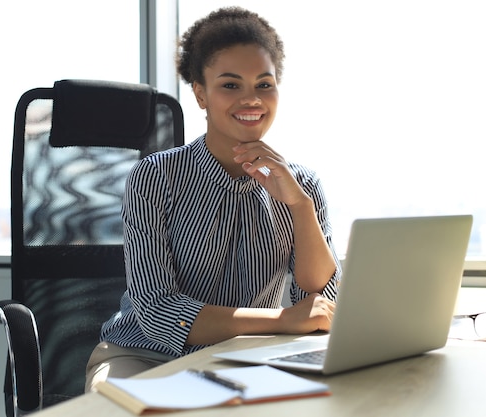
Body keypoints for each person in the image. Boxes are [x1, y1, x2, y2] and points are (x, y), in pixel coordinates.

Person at [85, 6, 341, 392]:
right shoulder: (155, 177)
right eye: (231, 85)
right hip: (146, 356)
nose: (252, 99)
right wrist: (282, 321)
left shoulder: (301, 183)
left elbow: (319, 299)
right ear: (201, 94)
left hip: (249, 358)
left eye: (264, 84)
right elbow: (157, 312)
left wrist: (301, 206)